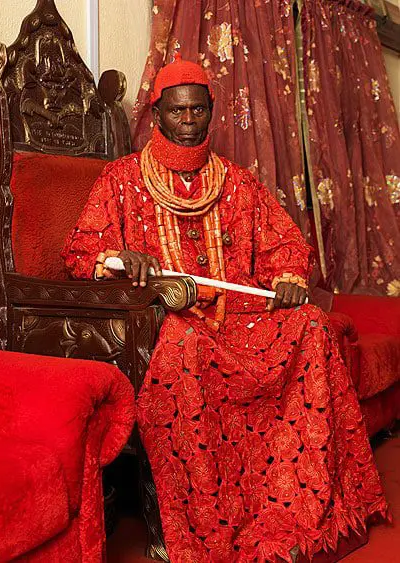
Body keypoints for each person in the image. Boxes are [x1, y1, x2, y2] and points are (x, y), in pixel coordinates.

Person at [62, 56, 388, 562]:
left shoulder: (238, 181)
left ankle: (300, 508)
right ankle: (211, 528)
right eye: (177, 111)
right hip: (170, 323)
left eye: (197, 110)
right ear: (157, 114)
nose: (188, 121)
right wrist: (120, 257)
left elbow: (285, 245)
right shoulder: (121, 178)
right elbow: (81, 252)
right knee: (185, 345)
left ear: (211, 111)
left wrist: (287, 280)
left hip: (242, 316)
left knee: (312, 324)